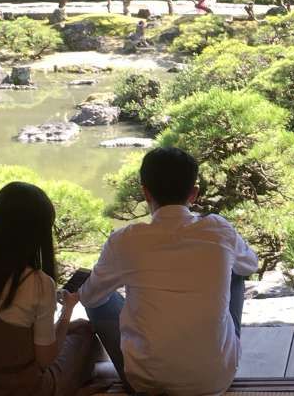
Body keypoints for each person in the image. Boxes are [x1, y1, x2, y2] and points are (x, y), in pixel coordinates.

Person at [79, 147, 258, 396]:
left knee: (98, 297)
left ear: (145, 192)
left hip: (147, 384)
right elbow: (251, 264)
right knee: (236, 269)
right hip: (215, 379)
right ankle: (218, 351)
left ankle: (133, 367)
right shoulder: (218, 230)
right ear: (193, 194)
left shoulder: (125, 240)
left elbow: (89, 297)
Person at [0, 182, 101, 396]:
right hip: (24, 389)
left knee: (71, 330)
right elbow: (45, 359)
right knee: (85, 333)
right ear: (39, 232)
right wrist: (68, 311)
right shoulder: (38, 283)